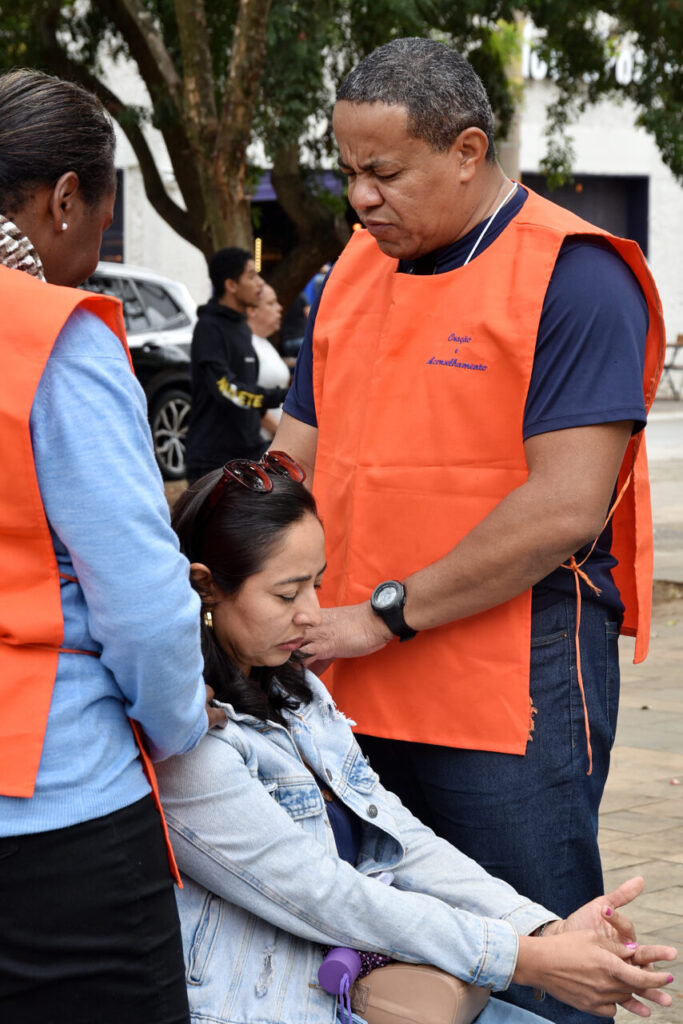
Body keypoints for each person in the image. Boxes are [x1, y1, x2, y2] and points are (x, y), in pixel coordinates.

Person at [272, 37, 666, 1023]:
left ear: (466, 149)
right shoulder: (351, 276)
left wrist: (382, 614)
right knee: (390, 952)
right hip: (348, 669)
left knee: (540, 953)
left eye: (383, 172)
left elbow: (562, 508)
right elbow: (296, 455)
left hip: (505, 683)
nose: (358, 198)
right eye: (348, 170)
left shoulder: (572, 276)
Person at [155, 457, 677, 1024]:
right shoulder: (190, 745)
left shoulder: (295, 688)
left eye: (318, 584)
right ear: (206, 588)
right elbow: (325, 895)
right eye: (286, 595)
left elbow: (402, 836)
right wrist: (527, 960)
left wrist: (544, 926)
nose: (311, 613)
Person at [0, 69, 222, 1024]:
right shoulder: (52, 339)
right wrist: (180, 727)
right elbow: (144, 606)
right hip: (54, 811)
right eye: (102, 213)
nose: (96, 246)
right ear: (62, 199)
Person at [185, 247, 289, 482]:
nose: (260, 283)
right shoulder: (209, 328)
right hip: (212, 462)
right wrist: (281, 396)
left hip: (249, 453)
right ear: (231, 285)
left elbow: (247, 389)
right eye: (251, 276)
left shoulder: (242, 327)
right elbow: (227, 390)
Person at [246, 281, 291, 439]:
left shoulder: (265, 343)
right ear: (252, 310)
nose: (279, 308)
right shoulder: (246, 346)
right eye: (271, 303)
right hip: (262, 444)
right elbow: (246, 397)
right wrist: (280, 433)